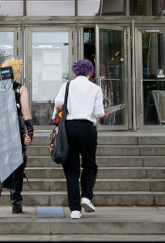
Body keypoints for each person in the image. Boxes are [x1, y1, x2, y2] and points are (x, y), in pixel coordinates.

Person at [53, 58, 107, 219]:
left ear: (75, 71)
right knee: (90, 165)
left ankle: (75, 210)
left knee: (71, 170)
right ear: (90, 72)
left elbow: (57, 105)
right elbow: (98, 113)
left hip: (69, 129)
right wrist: (105, 113)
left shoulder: (67, 85)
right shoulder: (95, 88)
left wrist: (71, 107)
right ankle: (86, 196)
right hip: (87, 129)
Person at [0, 57, 33, 217]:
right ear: (16, 74)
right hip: (14, 131)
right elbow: (26, 111)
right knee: (17, 165)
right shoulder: (20, 89)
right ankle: (16, 204)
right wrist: (29, 131)